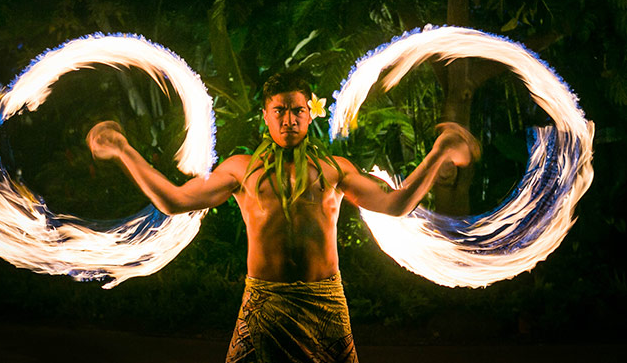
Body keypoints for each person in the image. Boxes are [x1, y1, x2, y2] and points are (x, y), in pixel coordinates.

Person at [86, 72, 480, 363]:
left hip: (324, 301)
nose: (289, 120)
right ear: (265, 115)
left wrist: (440, 151)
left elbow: (394, 205)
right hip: (264, 302)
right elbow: (174, 201)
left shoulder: (333, 170)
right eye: (280, 111)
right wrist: (123, 150)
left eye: (297, 111)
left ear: (310, 115)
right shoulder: (240, 170)